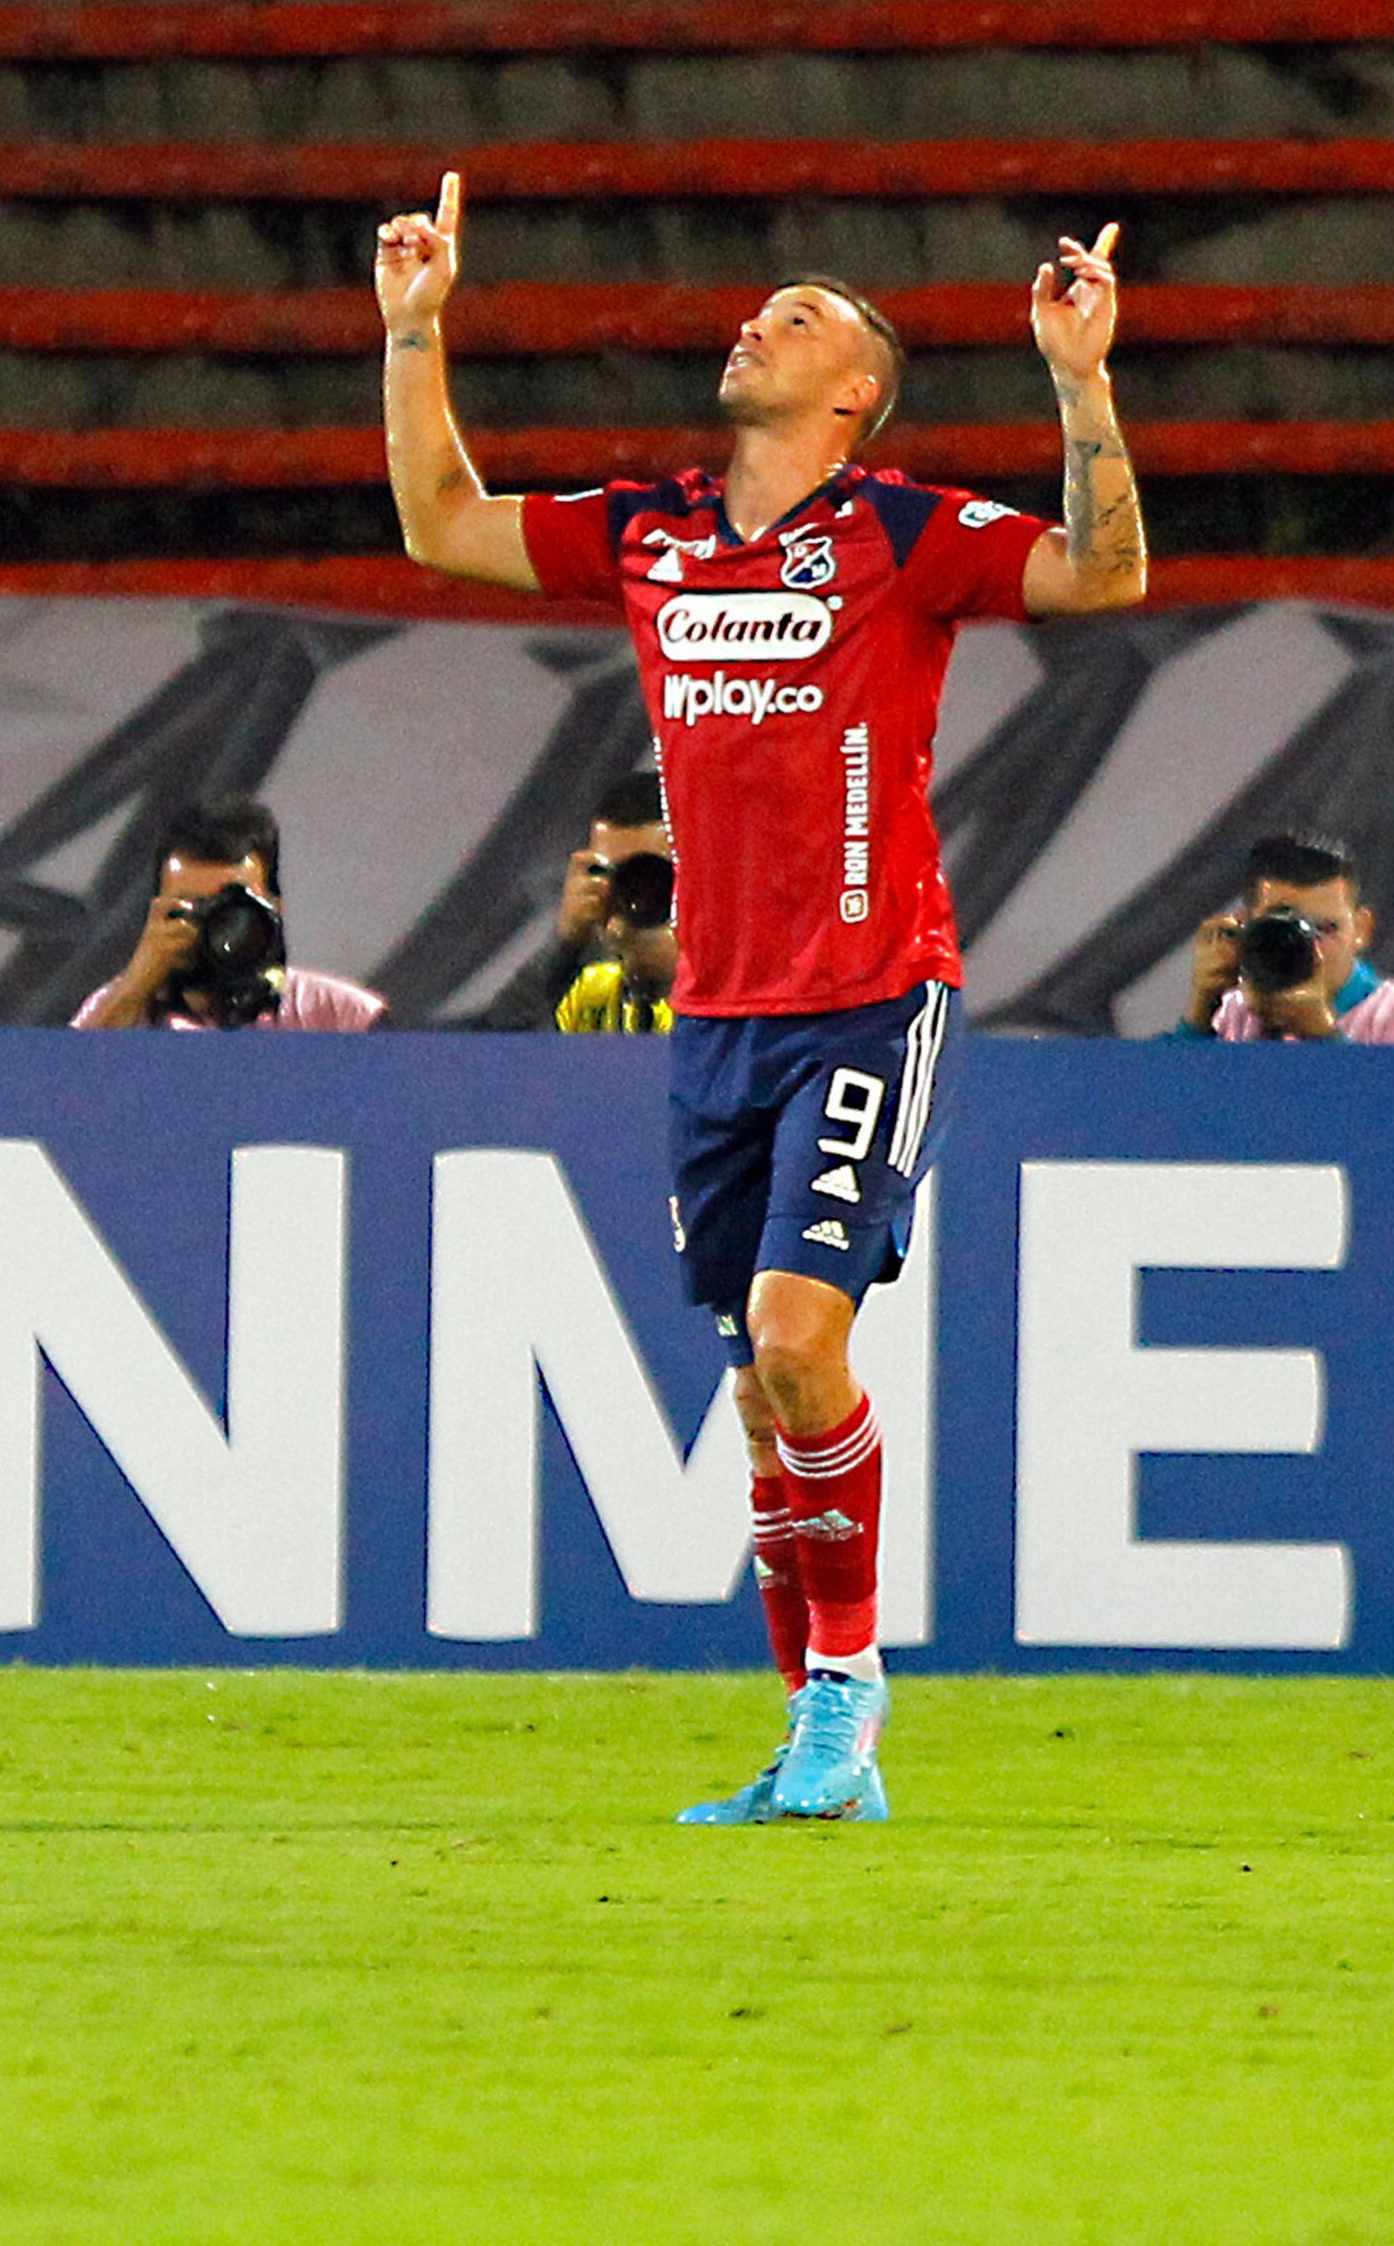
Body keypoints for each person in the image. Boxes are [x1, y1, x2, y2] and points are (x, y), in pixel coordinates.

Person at [378, 171, 1150, 1821]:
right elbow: (443, 522)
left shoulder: (900, 532)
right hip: (716, 1016)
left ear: (855, 391)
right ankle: (811, 1732)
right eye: (761, 307)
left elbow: (1103, 576)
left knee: (805, 1340)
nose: (755, 322)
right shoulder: (650, 528)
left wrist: (1079, 381)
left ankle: (850, 1698)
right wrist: (414, 332)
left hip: (871, 991)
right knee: (754, 1384)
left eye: (796, 316)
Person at [74, 794, 383, 1033]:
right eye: (193, 904)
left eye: (232, 904)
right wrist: (133, 990)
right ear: (159, 913)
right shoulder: (113, 1014)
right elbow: (55, 1102)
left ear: (274, 906)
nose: (214, 922)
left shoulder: (343, 1019)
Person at [1183, 831, 1394, 1044]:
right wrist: (1200, 1013)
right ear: (1247, 927)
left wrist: (1324, 1035)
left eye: (1326, 928)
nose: (1310, 947)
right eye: (1285, 927)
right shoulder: (1229, 1018)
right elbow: (1161, 1111)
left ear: (1361, 929)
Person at [483, 770, 673, 1030]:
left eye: (651, 872)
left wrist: (678, 968)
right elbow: (496, 1048)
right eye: (612, 872)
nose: (635, 888)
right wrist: (565, 944)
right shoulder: (591, 960)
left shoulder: (738, 959)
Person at [555, 849, 677, 1034]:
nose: (635, 895)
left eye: (651, 877)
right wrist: (566, 946)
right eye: (620, 879)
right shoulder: (593, 991)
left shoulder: (720, 998)